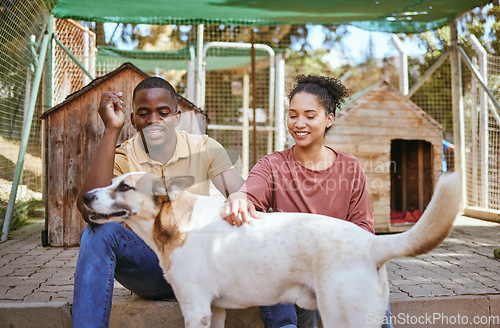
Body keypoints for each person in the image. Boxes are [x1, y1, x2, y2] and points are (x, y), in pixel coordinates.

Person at [221, 74, 393, 328]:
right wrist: (238, 196)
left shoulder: (350, 167)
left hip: (336, 263)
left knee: (371, 271)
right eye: (293, 115)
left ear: (328, 119)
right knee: (267, 258)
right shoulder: (272, 164)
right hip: (291, 270)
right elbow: (250, 197)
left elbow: (363, 229)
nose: (299, 123)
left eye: (310, 116)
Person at [72, 76, 244, 328]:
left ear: (177, 116)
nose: (153, 120)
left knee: (258, 226)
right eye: (143, 113)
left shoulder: (205, 147)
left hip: (201, 271)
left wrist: (243, 198)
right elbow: (88, 209)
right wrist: (111, 130)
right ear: (132, 119)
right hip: (150, 271)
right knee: (98, 232)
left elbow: (248, 199)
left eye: (163, 112)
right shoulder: (123, 155)